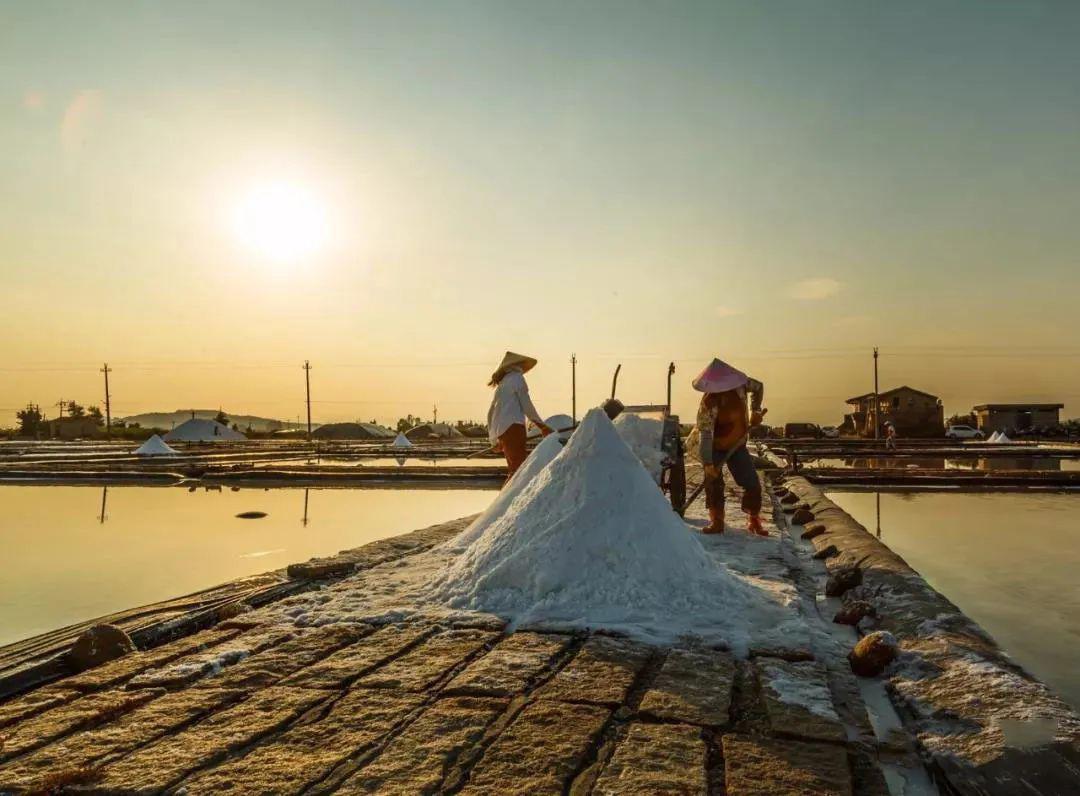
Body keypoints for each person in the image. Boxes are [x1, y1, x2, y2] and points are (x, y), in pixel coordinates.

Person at [692, 358, 767, 536]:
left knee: (752, 483)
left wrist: (755, 411)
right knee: (714, 484)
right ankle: (717, 521)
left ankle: (754, 519)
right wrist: (708, 463)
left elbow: (759, 387)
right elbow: (706, 435)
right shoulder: (709, 403)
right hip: (715, 446)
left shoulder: (742, 386)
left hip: (737, 443)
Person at [487, 351, 552, 479]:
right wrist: (542, 426)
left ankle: (508, 498)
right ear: (517, 365)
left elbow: (491, 413)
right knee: (518, 472)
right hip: (514, 428)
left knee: (514, 470)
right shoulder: (517, 378)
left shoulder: (502, 384)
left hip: (503, 432)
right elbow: (526, 405)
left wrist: (494, 439)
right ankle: (510, 499)